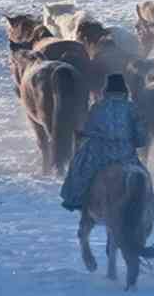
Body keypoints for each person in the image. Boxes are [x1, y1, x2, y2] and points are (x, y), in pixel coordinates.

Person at [60, 73, 149, 211]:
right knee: (144, 177)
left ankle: (74, 199)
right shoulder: (132, 108)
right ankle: (145, 204)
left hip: (100, 152)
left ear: (106, 90)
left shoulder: (98, 107)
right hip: (125, 154)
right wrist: (135, 142)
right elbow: (141, 136)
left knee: (79, 167)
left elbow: (89, 129)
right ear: (125, 90)